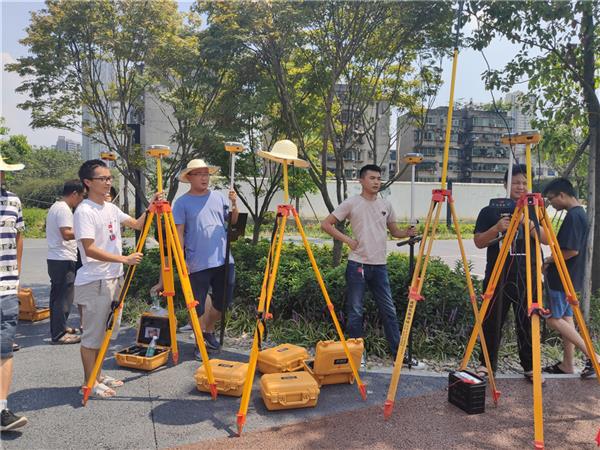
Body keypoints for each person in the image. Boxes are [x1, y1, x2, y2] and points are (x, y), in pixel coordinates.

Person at [74, 159, 159, 399]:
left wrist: (151, 206)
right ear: (88, 182)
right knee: (92, 336)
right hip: (95, 281)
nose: (108, 182)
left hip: (114, 278)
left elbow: (137, 224)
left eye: (110, 178)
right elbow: (89, 249)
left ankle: (98, 375)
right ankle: (88, 381)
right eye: (103, 179)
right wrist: (123, 259)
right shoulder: (84, 211)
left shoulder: (110, 208)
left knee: (107, 331)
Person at [321, 164, 416, 365]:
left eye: (378, 179)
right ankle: (357, 355)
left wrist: (407, 233)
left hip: (380, 265)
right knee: (355, 310)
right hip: (358, 265)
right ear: (362, 181)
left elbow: (395, 232)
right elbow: (326, 224)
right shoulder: (351, 203)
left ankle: (400, 355)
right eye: (372, 178)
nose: (376, 182)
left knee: (389, 310)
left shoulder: (386, 205)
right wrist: (347, 240)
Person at [153, 159, 237, 358]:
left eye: (206, 174)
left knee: (223, 301)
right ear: (189, 177)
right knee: (196, 305)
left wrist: (234, 203)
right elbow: (179, 233)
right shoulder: (181, 203)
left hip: (223, 258)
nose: (204, 178)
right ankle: (200, 342)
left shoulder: (219, 197)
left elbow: (232, 221)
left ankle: (208, 330)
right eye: (199, 174)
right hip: (196, 261)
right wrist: (181, 260)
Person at [473, 164, 546, 382]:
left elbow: (548, 239)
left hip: (528, 275)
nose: (520, 186)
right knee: (491, 320)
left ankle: (531, 366)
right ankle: (486, 365)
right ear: (505, 185)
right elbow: (478, 242)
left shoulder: (535, 209)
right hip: (498, 274)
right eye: (515, 183)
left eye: (524, 182)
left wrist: (527, 223)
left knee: (528, 321)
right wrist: (497, 228)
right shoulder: (489, 211)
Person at [542, 177, 598, 378]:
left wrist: (548, 260)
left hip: (561, 277)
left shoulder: (574, 216)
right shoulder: (579, 214)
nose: (551, 203)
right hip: (570, 276)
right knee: (566, 318)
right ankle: (567, 364)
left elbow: (571, 251)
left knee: (552, 319)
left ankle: (594, 356)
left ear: (562, 195)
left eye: (551, 199)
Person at [0, 153, 28, 431]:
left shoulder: (12, 201)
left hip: (7, 287)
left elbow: (18, 237)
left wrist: (16, 275)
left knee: (4, 348)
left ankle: (2, 410)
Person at [46, 179, 85, 344]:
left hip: (56, 258)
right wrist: (86, 231)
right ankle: (60, 334)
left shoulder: (57, 206)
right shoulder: (64, 210)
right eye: (81, 196)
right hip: (63, 258)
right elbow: (67, 233)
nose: (81, 201)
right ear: (74, 194)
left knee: (57, 297)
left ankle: (59, 328)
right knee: (64, 298)